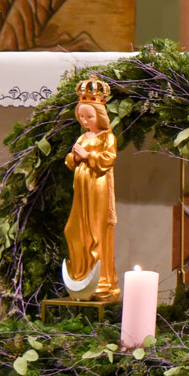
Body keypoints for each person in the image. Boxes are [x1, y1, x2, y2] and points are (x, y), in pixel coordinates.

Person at [62, 82, 117, 300]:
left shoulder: (107, 137)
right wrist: (74, 158)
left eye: (90, 117)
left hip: (97, 187)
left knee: (96, 230)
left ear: (100, 116)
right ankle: (81, 274)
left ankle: (101, 280)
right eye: (82, 117)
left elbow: (108, 160)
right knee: (74, 229)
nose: (85, 121)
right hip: (81, 189)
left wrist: (87, 156)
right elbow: (70, 161)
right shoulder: (82, 138)